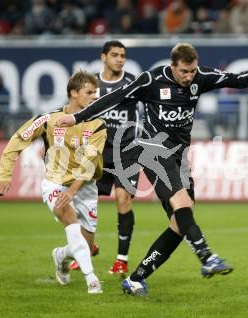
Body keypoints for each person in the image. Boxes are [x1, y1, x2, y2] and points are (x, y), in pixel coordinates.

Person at [56, 42, 248, 296]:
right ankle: (207, 257)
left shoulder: (200, 77)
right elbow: (115, 97)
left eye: (192, 71)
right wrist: (77, 117)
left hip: (179, 157)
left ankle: (136, 278)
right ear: (172, 66)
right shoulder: (151, 80)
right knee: (182, 202)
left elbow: (235, 80)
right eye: (184, 72)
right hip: (152, 150)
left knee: (179, 222)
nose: (189, 77)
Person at [0, 70, 107, 294]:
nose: (95, 97)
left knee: (86, 243)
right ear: (74, 93)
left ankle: (61, 256)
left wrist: (73, 191)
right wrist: (4, 175)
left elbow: (89, 165)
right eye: (89, 92)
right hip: (54, 182)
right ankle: (91, 279)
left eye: (96, 92)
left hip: (85, 186)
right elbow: (17, 140)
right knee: (67, 215)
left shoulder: (98, 125)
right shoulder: (48, 120)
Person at [68, 40, 140, 277]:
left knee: (123, 200)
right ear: (103, 57)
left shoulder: (133, 81)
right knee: (83, 204)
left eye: (123, 55)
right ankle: (87, 248)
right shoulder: (92, 85)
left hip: (126, 151)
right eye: (115, 55)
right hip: (96, 152)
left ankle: (122, 260)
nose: (120, 59)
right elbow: (76, 111)